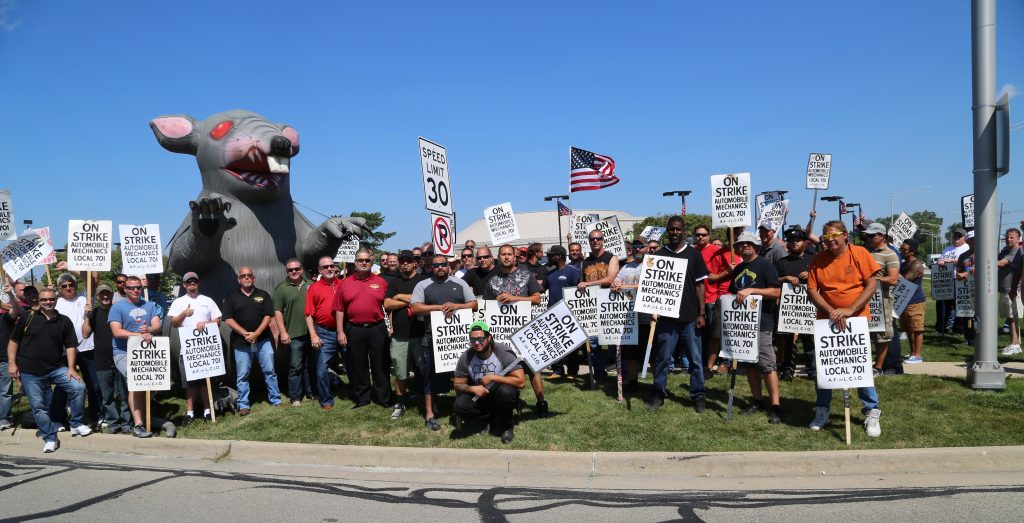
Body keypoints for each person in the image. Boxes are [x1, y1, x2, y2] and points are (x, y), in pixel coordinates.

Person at [805, 220, 883, 437]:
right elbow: (812, 291)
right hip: (826, 321)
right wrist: (832, 311)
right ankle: (822, 409)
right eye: (825, 238)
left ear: (845, 235)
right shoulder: (817, 260)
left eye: (833, 236)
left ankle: (871, 411)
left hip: (856, 320)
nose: (829, 241)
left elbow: (871, 285)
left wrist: (849, 309)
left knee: (859, 365)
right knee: (826, 367)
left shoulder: (859, 253)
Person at [7, 287, 92, 452]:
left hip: (56, 368)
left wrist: (72, 368)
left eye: (51, 299)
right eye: (44, 299)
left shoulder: (64, 321)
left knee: (78, 387)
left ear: (56, 299)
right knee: (38, 406)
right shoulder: (28, 317)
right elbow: (13, 342)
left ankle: (76, 424)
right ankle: (50, 438)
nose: (48, 302)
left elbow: (70, 346)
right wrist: (12, 364)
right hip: (30, 372)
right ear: (39, 301)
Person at [648, 216, 709, 412]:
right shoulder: (658, 255)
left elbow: (700, 286)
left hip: (690, 318)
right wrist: (652, 309)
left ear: (684, 231)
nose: (675, 232)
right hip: (666, 319)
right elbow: (651, 287)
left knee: (696, 361)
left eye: (678, 229)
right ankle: (658, 394)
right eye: (671, 229)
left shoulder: (694, 255)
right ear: (667, 231)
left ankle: (698, 395)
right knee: (662, 359)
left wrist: (701, 313)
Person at [410, 254, 477, 431]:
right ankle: (430, 414)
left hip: (458, 340)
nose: (440, 267)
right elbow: (415, 308)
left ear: (448, 266)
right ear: (431, 267)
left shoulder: (459, 283)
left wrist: (457, 306)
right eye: (436, 265)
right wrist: (439, 308)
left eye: (443, 264)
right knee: (429, 378)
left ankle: (461, 410)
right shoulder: (422, 285)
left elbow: (474, 304)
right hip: (430, 338)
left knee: (461, 377)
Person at [483, 244, 545, 416]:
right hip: (502, 331)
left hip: (524, 330)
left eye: (509, 254)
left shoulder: (526, 275)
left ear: (515, 257)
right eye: (503, 254)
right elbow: (487, 306)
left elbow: (537, 299)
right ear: (498, 257)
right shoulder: (492, 281)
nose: (506, 257)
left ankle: (541, 403)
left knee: (532, 368)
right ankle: (511, 401)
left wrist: (513, 298)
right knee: (505, 368)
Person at [728, 231, 783, 424]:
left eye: (749, 243)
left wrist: (752, 290)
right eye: (741, 243)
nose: (745, 246)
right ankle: (757, 400)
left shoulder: (765, 265)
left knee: (767, 363)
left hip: (762, 320)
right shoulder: (737, 269)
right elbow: (731, 294)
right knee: (750, 364)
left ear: (756, 247)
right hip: (742, 323)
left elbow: (776, 292)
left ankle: (775, 406)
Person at [335, 248, 392, 409]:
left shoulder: (381, 282)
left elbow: (388, 307)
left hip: (377, 328)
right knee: (358, 365)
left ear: (371, 262)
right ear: (355, 262)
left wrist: (390, 325)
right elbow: (339, 309)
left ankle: (383, 397)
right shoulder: (345, 283)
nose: (364, 263)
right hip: (354, 329)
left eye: (367, 260)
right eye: (361, 260)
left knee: (380, 364)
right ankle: (363, 398)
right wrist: (340, 331)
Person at [452, 320, 524, 444]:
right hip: (481, 395)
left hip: (501, 394)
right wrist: (472, 389)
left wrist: (493, 377)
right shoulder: (466, 356)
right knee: (459, 406)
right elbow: (458, 384)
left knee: (506, 392)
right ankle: (488, 418)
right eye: (473, 339)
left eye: (480, 339)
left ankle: (507, 427)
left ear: (489, 337)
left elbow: (521, 382)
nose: (476, 343)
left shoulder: (502, 351)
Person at [222, 266, 281, 415]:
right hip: (241, 343)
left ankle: (276, 399)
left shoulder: (263, 295)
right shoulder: (231, 297)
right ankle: (243, 405)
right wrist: (245, 334)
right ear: (239, 279)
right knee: (242, 375)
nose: (246, 278)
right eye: (243, 276)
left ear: (254, 278)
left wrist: (257, 333)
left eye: (249, 275)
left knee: (270, 371)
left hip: (263, 340)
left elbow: (268, 316)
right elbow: (228, 319)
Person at [168, 271, 222, 424]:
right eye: (189, 281)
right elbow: (174, 323)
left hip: (205, 348)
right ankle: (190, 413)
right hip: (188, 349)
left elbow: (217, 321)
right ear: (184, 284)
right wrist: (184, 313)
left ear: (198, 283)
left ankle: (207, 410)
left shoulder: (208, 300)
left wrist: (206, 324)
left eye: (195, 281)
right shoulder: (178, 302)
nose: (192, 283)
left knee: (205, 381)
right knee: (189, 383)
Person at [52, 273, 100, 429]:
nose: (68, 288)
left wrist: (70, 267)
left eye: (71, 284)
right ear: (59, 289)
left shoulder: (83, 299)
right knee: (63, 386)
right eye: (64, 286)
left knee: (94, 385)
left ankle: (97, 415)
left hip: (86, 347)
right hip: (66, 351)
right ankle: (61, 416)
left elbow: (91, 281)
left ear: (76, 286)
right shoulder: (56, 303)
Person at [383, 250, 427, 420]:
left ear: (415, 262)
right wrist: (411, 300)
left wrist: (400, 296)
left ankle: (428, 399)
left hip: (420, 333)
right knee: (400, 372)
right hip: (400, 335)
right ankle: (400, 403)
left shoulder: (423, 281)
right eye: (402, 261)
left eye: (409, 260)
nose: (405, 263)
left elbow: (424, 300)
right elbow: (387, 303)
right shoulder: (394, 282)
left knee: (424, 370)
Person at [81, 284, 130, 434]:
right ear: (98, 296)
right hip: (101, 360)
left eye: (107, 294)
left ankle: (127, 422)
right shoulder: (94, 313)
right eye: (102, 294)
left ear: (111, 294)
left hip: (121, 357)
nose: (105, 297)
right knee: (107, 396)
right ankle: (113, 423)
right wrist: (86, 316)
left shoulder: (119, 311)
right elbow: (85, 334)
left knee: (124, 394)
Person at [578, 229, 620, 382]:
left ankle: (620, 371)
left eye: (598, 238)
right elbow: (581, 284)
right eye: (592, 239)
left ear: (603, 240)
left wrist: (588, 283)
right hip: (591, 307)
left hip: (609, 305)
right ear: (589, 241)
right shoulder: (584, 262)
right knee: (593, 343)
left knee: (613, 341)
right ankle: (600, 374)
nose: (595, 241)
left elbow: (610, 279)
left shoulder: (611, 258)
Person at [775, 226, 816, 379]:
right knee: (787, 340)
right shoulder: (781, 262)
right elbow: (773, 281)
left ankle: (812, 370)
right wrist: (785, 278)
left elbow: (823, 278)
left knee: (809, 340)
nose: (794, 243)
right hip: (789, 308)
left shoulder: (813, 260)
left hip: (808, 307)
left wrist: (811, 273)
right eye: (791, 241)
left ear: (804, 243)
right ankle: (787, 370)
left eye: (798, 240)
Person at [273, 259, 315, 407]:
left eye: (297, 269)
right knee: (295, 366)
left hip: (312, 333)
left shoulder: (311, 284)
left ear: (302, 270)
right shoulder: (281, 288)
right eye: (291, 270)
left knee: (310, 365)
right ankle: (295, 396)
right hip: (294, 333)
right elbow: (277, 312)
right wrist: (283, 332)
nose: (294, 272)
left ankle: (311, 393)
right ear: (287, 272)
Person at [305, 257, 344, 410]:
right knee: (321, 369)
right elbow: (309, 314)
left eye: (331, 266)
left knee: (353, 365)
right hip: (324, 332)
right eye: (325, 267)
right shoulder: (314, 288)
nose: (329, 269)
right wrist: (313, 335)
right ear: (320, 270)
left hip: (344, 331)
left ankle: (357, 394)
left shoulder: (343, 284)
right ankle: (326, 400)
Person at [861, 223, 899, 375]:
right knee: (865, 333)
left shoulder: (890, 254)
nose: (868, 238)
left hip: (881, 300)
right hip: (864, 299)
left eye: (872, 235)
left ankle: (878, 367)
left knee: (882, 335)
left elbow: (893, 279)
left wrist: (874, 279)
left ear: (882, 236)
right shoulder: (865, 253)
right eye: (867, 236)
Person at [611, 241, 649, 392]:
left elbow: (646, 285)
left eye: (641, 246)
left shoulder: (651, 264)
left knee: (647, 349)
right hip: (629, 315)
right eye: (635, 246)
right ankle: (633, 380)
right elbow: (616, 282)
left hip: (646, 314)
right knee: (632, 350)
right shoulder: (626, 267)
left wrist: (625, 287)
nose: (638, 249)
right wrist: (615, 285)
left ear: (646, 248)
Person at [542, 245, 581, 379]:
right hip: (552, 314)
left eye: (551, 255)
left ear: (559, 256)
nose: (549, 257)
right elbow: (541, 288)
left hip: (569, 315)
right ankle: (557, 370)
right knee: (554, 342)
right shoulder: (550, 273)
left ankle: (572, 372)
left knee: (572, 345)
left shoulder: (573, 272)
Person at [0, 280, 28, 431]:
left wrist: (9, 293)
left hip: (4, 358)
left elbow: (17, 311)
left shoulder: (5, 317)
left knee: (5, 391)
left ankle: (4, 418)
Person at [898, 239, 927, 366]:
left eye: (904, 249)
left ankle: (917, 355)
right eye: (901, 249)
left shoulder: (916, 265)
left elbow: (905, 280)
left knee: (917, 328)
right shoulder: (904, 264)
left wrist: (893, 274)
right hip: (904, 300)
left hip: (915, 300)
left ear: (913, 251)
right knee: (909, 329)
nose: (902, 251)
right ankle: (912, 352)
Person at [936, 228, 969, 334]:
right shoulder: (948, 248)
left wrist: (947, 261)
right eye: (955, 236)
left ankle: (959, 328)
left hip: (958, 279)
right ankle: (942, 326)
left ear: (964, 238)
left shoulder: (966, 247)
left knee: (958, 305)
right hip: (945, 280)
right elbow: (941, 259)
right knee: (944, 305)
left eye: (959, 236)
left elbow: (964, 260)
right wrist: (940, 260)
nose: (956, 238)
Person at [997, 229, 1023, 355]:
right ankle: (1013, 343)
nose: (1009, 239)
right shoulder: (1004, 251)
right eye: (1007, 237)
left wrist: (986, 263)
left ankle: (1016, 344)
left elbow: (1001, 263)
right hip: (1004, 289)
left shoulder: (1017, 251)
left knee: (1013, 318)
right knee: (1010, 317)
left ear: (1018, 239)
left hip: (1012, 290)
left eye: (1012, 237)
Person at [955, 232, 977, 347]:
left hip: (978, 289)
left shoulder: (984, 254)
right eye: (971, 240)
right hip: (964, 289)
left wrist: (965, 274)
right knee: (965, 315)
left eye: (975, 239)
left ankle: (977, 337)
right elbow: (958, 271)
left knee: (977, 315)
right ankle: (967, 337)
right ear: (968, 241)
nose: (973, 241)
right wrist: (961, 274)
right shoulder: (963, 255)